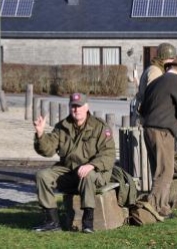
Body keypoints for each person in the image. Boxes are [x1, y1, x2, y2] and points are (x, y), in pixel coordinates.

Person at [32, 92, 116, 232]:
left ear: (86, 107)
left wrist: (91, 165)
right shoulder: (62, 126)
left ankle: (88, 223)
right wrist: (40, 135)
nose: (76, 110)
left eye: (79, 106)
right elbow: (48, 150)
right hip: (69, 170)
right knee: (42, 176)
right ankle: (52, 222)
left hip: (95, 172)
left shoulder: (99, 126)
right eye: (73, 106)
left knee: (87, 175)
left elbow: (109, 154)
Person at [139, 56, 177, 217]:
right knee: (165, 170)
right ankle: (155, 207)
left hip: (148, 128)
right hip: (162, 130)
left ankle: (161, 206)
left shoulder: (156, 82)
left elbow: (143, 108)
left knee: (157, 168)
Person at [131, 42, 177, 125]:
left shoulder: (161, 69)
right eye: (171, 58)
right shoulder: (155, 70)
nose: (173, 61)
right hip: (146, 117)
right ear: (163, 58)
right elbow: (154, 95)